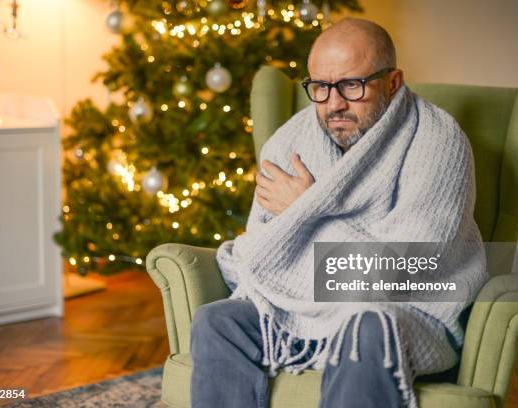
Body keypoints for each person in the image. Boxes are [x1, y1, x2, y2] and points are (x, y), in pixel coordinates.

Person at [190, 17, 486, 408]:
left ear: (393, 82)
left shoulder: (439, 142)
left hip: (407, 313)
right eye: (320, 87)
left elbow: (406, 272)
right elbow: (262, 255)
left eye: (351, 85)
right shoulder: (290, 141)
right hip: (298, 307)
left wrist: (303, 212)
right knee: (217, 321)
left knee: (367, 326)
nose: (333, 103)